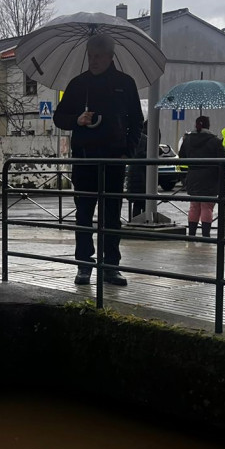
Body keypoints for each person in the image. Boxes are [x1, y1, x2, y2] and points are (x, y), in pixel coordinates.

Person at [53, 33, 143, 286]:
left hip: (114, 160)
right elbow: (59, 117)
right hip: (84, 160)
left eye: (98, 57)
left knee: (111, 216)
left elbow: (137, 121)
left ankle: (110, 266)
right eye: (90, 56)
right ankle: (84, 265)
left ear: (110, 56)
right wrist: (76, 120)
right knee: (83, 214)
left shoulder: (125, 83)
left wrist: (128, 150)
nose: (93, 61)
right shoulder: (78, 84)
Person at [178, 115, 225, 240]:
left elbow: (182, 156)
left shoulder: (188, 139)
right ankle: (206, 236)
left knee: (194, 205)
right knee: (207, 206)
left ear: (196, 125)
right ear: (208, 125)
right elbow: (224, 158)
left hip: (193, 175)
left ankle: (192, 235)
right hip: (210, 177)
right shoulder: (214, 140)